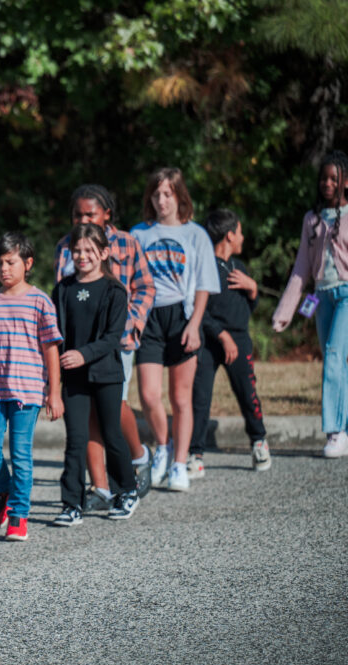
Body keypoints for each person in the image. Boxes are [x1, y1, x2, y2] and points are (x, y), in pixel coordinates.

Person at [54, 185, 156, 511]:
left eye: (90, 214)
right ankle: (99, 488)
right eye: (78, 214)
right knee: (83, 425)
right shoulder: (64, 248)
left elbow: (145, 286)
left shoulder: (127, 242)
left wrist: (133, 322)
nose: (83, 218)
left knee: (114, 411)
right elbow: (62, 301)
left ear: (106, 215)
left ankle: (136, 459)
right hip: (76, 350)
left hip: (116, 340)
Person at [0, 232, 63, 541]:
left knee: (21, 454)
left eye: (11, 262)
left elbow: (51, 350)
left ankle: (19, 515)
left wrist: (54, 392)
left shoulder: (41, 301)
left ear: (27, 263)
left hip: (28, 391)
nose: (4, 269)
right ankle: (5, 492)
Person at [131, 167, 220, 492]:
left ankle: (180, 464)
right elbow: (130, 282)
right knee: (150, 395)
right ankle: (163, 448)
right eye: (156, 194)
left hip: (182, 318)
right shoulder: (139, 234)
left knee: (181, 399)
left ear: (179, 196)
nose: (161, 200)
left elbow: (204, 286)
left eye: (168, 194)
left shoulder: (196, 234)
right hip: (149, 317)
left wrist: (195, 324)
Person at [51, 224, 139, 525]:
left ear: (103, 253)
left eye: (89, 250)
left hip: (106, 374)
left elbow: (113, 338)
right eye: (77, 250)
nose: (82, 256)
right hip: (73, 379)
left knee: (112, 434)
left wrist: (83, 354)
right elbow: (53, 336)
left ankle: (127, 490)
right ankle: (71, 504)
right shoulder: (63, 289)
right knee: (75, 440)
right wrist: (49, 379)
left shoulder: (115, 291)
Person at [273, 150, 348, 458]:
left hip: (346, 294)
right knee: (339, 363)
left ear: (346, 182)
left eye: (334, 178)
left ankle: (334, 432)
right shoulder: (312, 219)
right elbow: (302, 267)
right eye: (324, 178)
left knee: (332, 356)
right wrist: (285, 311)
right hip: (322, 296)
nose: (327, 183)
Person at [191, 209, 270, 472]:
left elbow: (248, 309)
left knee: (248, 394)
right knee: (200, 398)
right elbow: (198, 310)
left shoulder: (239, 267)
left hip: (239, 339)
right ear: (229, 235)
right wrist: (221, 336)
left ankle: (259, 441)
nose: (243, 237)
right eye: (240, 232)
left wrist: (253, 288)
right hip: (210, 341)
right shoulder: (205, 267)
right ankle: (195, 455)